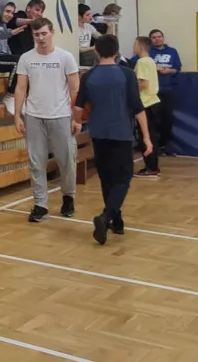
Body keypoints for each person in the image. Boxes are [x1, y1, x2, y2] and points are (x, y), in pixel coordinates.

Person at [74, 35, 153, 245]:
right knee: (123, 179)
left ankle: (116, 222)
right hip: (121, 133)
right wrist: (146, 137)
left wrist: (77, 122)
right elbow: (137, 107)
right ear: (117, 52)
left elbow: (78, 107)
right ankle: (106, 217)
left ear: (96, 52)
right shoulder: (127, 74)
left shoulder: (88, 76)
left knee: (107, 178)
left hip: (98, 134)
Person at [14, 17, 81, 223]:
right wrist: (17, 115)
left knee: (66, 161)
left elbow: (75, 89)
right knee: (36, 162)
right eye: (37, 34)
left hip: (61, 115)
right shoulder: (26, 58)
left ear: (52, 32)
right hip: (34, 116)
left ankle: (68, 197)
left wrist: (76, 118)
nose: (41, 38)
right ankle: (40, 204)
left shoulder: (65, 57)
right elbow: (21, 88)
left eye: (44, 33)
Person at [132, 36, 163, 178]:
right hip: (154, 101)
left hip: (146, 103)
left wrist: (131, 93)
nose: (133, 47)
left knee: (146, 136)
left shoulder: (142, 62)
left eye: (135, 45)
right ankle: (152, 166)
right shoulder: (150, 60)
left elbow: (143, 83)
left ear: (141, 47)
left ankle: (151, 167)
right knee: (151, 136)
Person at [148, 29, 181, 155]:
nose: (157, 39)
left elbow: (177, 69)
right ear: (151, 40)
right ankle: (154, 148)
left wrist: (168, 71)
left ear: (163, 37)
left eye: (159, 36)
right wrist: (154, 68)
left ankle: (164, 145)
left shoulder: (172, 51)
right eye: (154, 37)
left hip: (168, 90)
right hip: (153, 91)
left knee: (167, 119)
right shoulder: (148, 53)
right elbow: (137, 64)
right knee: (154, 120)